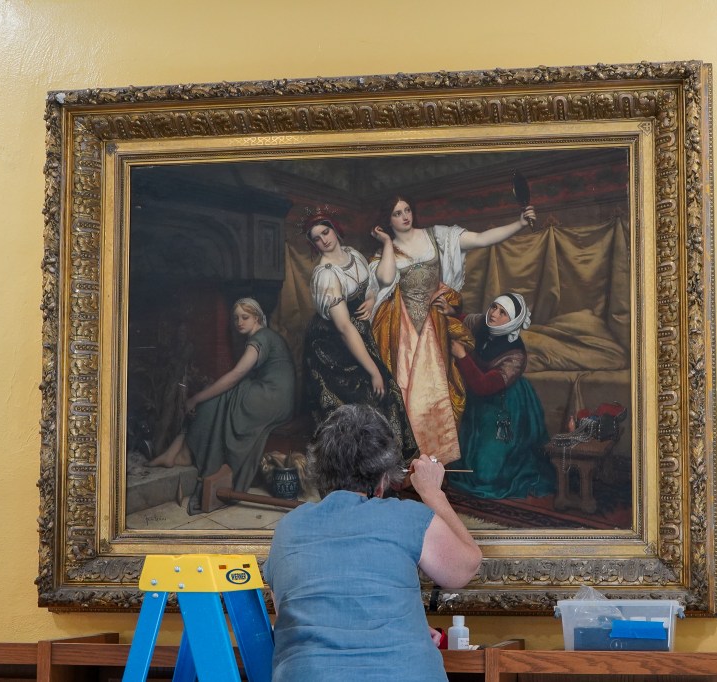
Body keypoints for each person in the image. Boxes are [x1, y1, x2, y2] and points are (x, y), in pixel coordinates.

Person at [264, 403, 481, 681]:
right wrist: (432, 493)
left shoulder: (289, 527)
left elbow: (292, 612)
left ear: (319, 471)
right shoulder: (405, 517)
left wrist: (406, 623)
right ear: (382, 480)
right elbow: (464, 568)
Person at [370, 194, 536, 463]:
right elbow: (386, 279)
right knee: (403, 393)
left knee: (433, 396)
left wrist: (518, 224)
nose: (405, 217)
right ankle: (407, 462)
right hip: (402, 333)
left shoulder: (438, 237)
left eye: (407, 210)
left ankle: (432, 459)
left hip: (434, 328)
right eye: (397, 213)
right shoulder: (384, 253)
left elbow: (482, 239)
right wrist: (388, 243)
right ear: (386, 220)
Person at [148, 297, 296, 512]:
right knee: (220, 397)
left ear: (257, 317)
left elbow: (236, 374)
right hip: (279, 399)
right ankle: (174, 452)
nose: (239, 322)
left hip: (272, 397)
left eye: (245, 317)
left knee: (216, 398)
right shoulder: (266, 336)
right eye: (235, 318)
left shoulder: (262, 336)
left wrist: (197, 398)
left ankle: (180, 453)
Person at [301, 209, 418, 461]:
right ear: (313, 244)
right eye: (317, 238)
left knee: (387, 391)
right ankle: (362, 469)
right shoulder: (326, 275)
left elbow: (371, 287)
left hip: (358, 334)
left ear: (334, 228)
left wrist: (372, 297)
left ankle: (385, 467)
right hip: (331, 349)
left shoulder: (353, 254)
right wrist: (373, 371)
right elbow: (344, 327)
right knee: (366, 399)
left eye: (325, 231)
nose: (324, 240)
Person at [446, 292, 557, 500]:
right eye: (494, 307)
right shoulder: (483, 322)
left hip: (503, 406)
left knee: (486, 475)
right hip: (476, 401)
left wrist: (462, 355)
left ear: (513, 321)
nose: (494, 314)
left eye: (502, 312)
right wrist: (452, 312)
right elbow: (465, 319)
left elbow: (484, 386)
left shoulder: (516, 356)